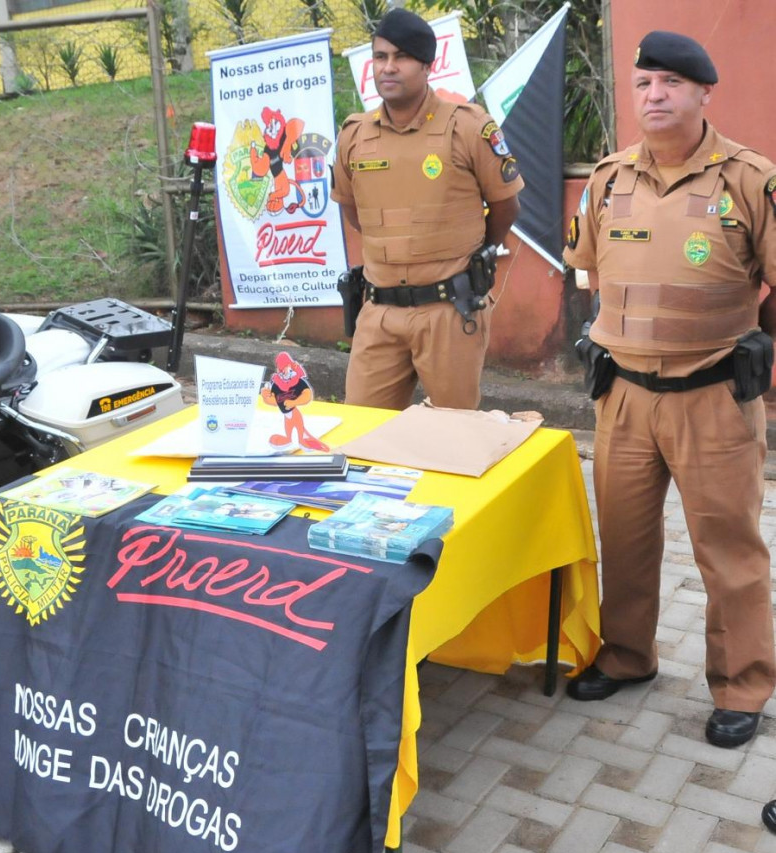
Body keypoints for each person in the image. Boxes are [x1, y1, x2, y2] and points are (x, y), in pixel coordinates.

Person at [563, 31, 776, 748]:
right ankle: (626, 656)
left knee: (729, 553)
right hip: (621, 397)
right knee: (621, 541)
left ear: (700, 92)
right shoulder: (606, 179)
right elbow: (584, 274)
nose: (652, 96)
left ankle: (741, 682)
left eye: (669, 84)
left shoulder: (749, 180)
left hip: (713, 397)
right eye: (643, 82)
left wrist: (760, 373)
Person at [331, 7, 524, 410]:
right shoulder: (354, 135)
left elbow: (506, 206)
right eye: (380, 57)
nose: (388, 67)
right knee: (363, 434)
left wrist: (473, 252)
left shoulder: (469, 127)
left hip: (448, 311)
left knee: (453, 437)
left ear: (427, 65)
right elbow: (355, 213)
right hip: (379, 312)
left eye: (401, 57)